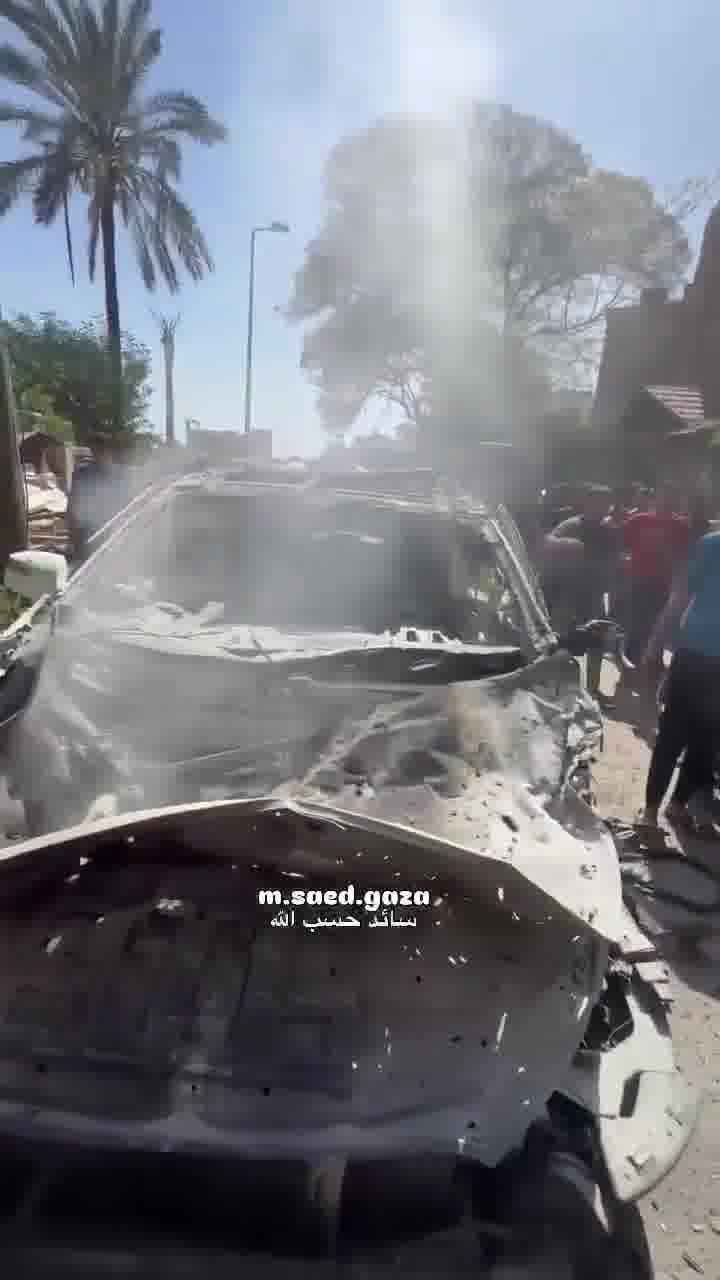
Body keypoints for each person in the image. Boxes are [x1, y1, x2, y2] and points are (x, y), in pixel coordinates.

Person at [640, 528, 720, 833]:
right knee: (674, 734)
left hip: (702, 659)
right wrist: (655, 642)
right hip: (696, 655)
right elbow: (681, 596)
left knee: (706, 739)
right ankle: (650, 812)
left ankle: (676, 806)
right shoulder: (712, 544)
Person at [543, 484, 618, 706]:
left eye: (605, 504)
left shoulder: (608, 530)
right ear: (587, 503)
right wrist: (566, 544)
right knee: (558, 641)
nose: (602, 508)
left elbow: (614, 561)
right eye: (597, 503)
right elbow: (547, 543)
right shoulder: (571, 525)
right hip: (567, 594)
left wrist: (613, 589)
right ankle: (550, 686)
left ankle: (592, 691)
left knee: (597, 642)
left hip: (594, 595)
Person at [621, 485, 690, 668]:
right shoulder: (638, 520)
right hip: (638, 581)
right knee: (637, 623)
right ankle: (631, 662)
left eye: (670, 497)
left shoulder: (681, 525)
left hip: (664, 582)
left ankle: (654, 661)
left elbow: (684, 555)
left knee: (660, 623)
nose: (666, 501)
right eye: (663, 497)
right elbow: (623, 547)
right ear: (655, 500)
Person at [66, 439, 131, 564]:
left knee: (106, 564)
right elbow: (73, 501)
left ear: (110, 453)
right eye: (97, 451)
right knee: (86, 565)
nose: (100, 455)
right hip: (87, 529)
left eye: (103, 451)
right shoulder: (82, 472)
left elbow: (126, 504)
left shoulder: (120, 474)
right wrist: (72, 531)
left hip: (108, 528)